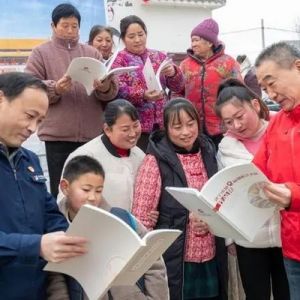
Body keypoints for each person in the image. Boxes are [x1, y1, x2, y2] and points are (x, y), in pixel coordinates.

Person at [0, 72, 87, 300]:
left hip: (35, 289)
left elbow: (48, 213)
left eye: (40, 121)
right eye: (29, 116)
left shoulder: (29, 160)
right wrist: (35, 246)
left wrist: (78, 240)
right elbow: (38, 243)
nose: (32, 129)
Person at [132, 98, 228, 300]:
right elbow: (141, 219)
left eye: (190, 124)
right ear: (166, 128)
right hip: (176, 257)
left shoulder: (208, 151)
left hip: (211, 251)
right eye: (177, 126)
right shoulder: (154, 161)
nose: (186, 132)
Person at [25, 3, 118, 197]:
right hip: (58, 137)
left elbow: (111, 92)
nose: (70, 30)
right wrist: (55, 88)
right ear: (53, 26)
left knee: (91, 187)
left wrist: (104, 87)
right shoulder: (40, 53)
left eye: (74, 26)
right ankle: (62, 225)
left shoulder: (92, 53)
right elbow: (30, 87)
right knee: (62, 190)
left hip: (92, 136)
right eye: (65, 25)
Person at [49, 155, 169, 300]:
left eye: (98, 190)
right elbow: (55, 281)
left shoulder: (121, 218)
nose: (93, 197)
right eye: (86, 190)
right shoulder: (55, 231)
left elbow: (152, 259)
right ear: (65, 187)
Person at [216, 78, 290, 300]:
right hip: (248, 237)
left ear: (255, 105)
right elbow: (224, 196)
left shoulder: (282, 134)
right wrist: (230, 239)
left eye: (240, 117)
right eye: (228, 122)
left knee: (287, 292)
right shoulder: (225, 149)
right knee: (255, 294)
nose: (237, 126)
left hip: (285, 233)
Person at [253, 41, 300, 300]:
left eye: (272, 82)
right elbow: (255, 173)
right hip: (293, 249)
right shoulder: (276, 123)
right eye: (264, 88)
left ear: (298, 67)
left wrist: (294, 196)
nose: (270, 94)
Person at [111, 15, 185, 151]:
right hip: (135, 126)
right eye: (131, 36)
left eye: (141, 34)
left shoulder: (159, 56)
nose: (138, 40)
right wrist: (142, 94)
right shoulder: (119, 60)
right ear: (123, 39)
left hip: (163, 123)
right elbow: (117, 90)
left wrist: (173, 73)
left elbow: (179, 86)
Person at [57, 99, 145, 212]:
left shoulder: (140, 155)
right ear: (107, 129)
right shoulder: (86, 157)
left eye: (136, 125)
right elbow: (65, 201)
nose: (133, 133)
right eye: (125, 129)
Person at [177, 18, 241, 148]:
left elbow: (239, 92)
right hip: (192, 127)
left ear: (210, 43)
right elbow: (177, 92)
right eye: (192, 41)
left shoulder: (228, 63)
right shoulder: (185, 65)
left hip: (222, 127)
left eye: (196, 40)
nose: (193, 44)